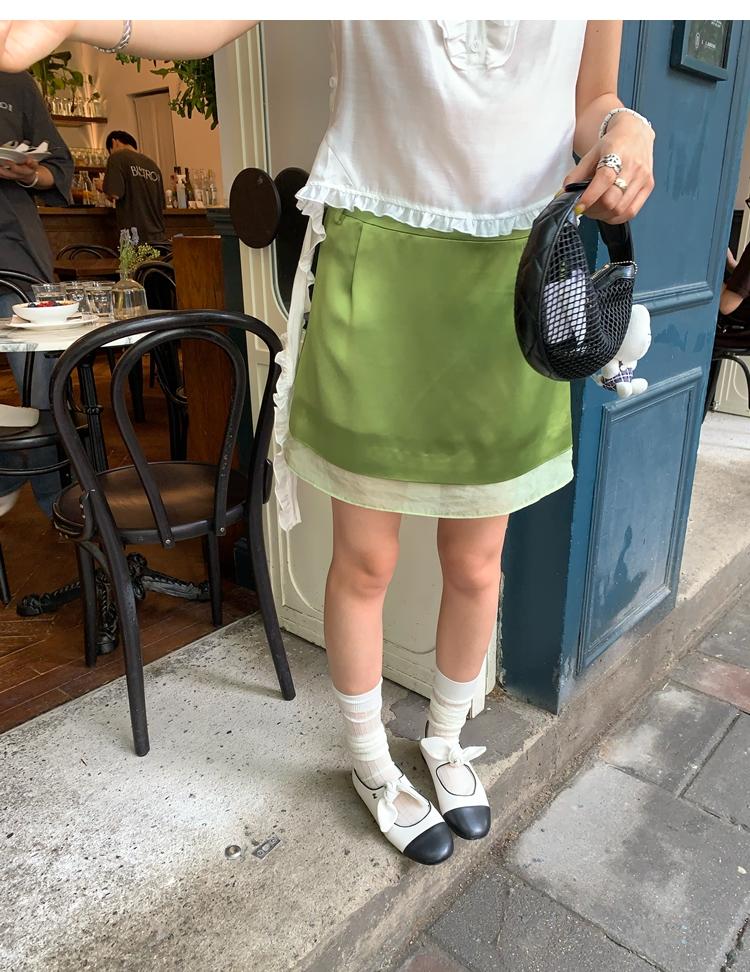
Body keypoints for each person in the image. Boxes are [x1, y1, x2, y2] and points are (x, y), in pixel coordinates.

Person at [0, 20, 655, 864]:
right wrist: (71, 17)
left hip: (514, 277)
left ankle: (446, 740)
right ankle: (372, 761)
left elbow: (590, 97)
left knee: (477, 560)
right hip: (380, 266)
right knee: (367, 560)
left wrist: (624, 125)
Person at [0, 67, 73, 516]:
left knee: (42, 384)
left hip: (14, 249)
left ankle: (58, 506)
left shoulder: (15, 80)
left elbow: (58, 168)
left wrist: (27, 174)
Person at [103, 129, 166, 244]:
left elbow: (114, 194)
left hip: (134, 238)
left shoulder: (116, 157)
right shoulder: (153, 165)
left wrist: (102, 186)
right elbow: (161, 204)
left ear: (114, 142)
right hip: (159, 237)